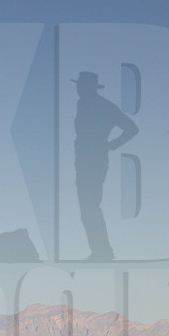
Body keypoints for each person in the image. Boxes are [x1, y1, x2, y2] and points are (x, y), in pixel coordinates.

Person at [72, 71, 137, 263]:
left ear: (89, 87)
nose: (78, 89)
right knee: (87, 207)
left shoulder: (103, 106)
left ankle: (103, 252)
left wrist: (111, 145)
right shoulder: (83, 103)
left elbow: (132, 128)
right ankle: (100, 251)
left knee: (90, 206)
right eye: (78, 85)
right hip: (84, 160)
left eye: (81, 85)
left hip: (94, 160)